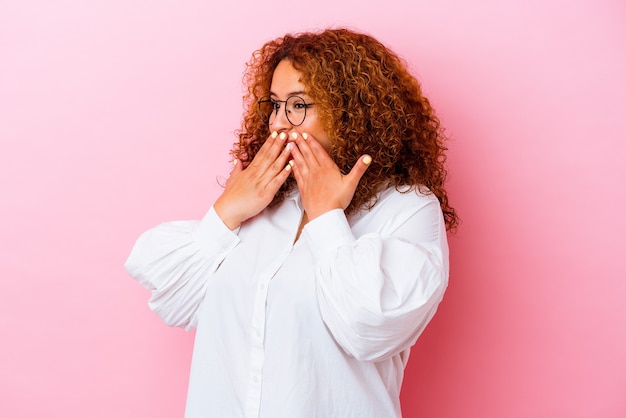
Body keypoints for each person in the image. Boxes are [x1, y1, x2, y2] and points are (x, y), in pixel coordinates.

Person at [125, 27, 458, 418]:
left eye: (298, 105)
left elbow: (368, 329)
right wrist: (227, 211)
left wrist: (327, 217)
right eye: (275, 105)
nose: (279, 124)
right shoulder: (263, 201)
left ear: (351, 112)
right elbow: (175, 300)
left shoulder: (406, 209)